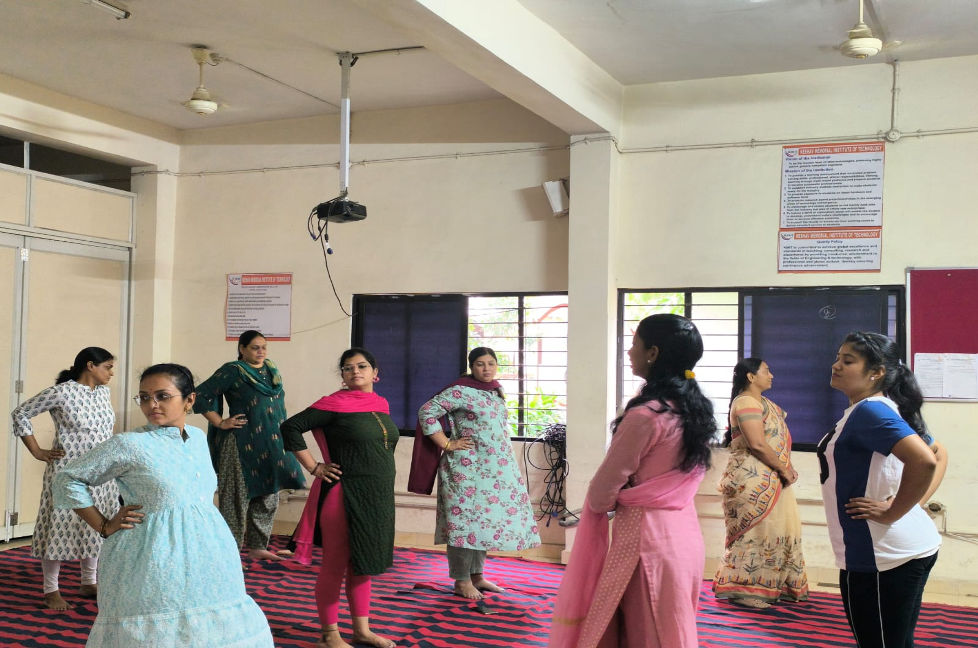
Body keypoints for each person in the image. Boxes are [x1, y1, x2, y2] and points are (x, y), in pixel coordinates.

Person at [51, 363, 274, 647]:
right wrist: (103, 525)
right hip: (151, 555)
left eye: (162, 396)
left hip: (210, 553)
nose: (151, 404)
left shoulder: (196, 438)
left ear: (189, 400)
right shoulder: (129, 444)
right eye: (144, 397)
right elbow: (68, 479)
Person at [548, 314, 715, 648]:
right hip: (684, 535)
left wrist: (619, 498)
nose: (629, 351)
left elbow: (600, 494)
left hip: (646, 541)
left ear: (652, 352)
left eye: (634, 343)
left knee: (647, 632)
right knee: (672, 625)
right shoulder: (694, 409)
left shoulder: (646, 415)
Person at [819, 331, 946, 648]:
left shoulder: (871, 412)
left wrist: (895, 511)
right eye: (838, 358)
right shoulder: (875, 409)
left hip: (881, 555)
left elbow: (927, 461)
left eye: (848, 361)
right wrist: (911, 507)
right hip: (894, 550)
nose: (836, 365)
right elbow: (937, 453)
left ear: (876, 373)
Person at [280, 348, 397, 648]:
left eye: (361, 366)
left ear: (375, 372)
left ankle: (362, 630)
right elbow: (290, 427)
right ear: (343, 376)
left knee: (363, 562)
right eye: (347, 368)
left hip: (377, 497)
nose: (354, 371)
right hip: (343, 495)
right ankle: (329, 635)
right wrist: (313, 466)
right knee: (335, 563)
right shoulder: (333, 405)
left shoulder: (380, 404)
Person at [414, 347, 541, 600]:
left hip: (494, 471)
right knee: (463, 525)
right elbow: (426, 411)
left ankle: (477, 576)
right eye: (480, 364)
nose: (486, 368)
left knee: (482, 523)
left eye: (491, 363)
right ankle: (461, 581)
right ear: (471, 366)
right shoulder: (460, 390)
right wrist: (447, 444)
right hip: (466, 470)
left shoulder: (495, 391)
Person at [10, 346, 120, 610]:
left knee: (98, 524)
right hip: (67, 472)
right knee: (58, 526)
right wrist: (36, 450)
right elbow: (20, 413)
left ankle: (88, 582)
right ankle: (51, 590)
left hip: (102, 472)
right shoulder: (60, 392)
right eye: (108, 367)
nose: (111, 373)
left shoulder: (103, 392)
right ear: (90, 366)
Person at [194, 329, 304, 561]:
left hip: (271, 442)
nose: (261, 351)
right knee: (236, 499)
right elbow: (200, 394)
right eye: (255, 347)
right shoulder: (233, 371)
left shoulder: (271, 371)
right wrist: (220, 422)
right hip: (241, 444)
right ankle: (228, 554)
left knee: (268, 496)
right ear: (242, 349)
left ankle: (257, 546)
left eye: (264, 347)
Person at [713, 358, 809, 608]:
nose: (772, 375)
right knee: (758, 532)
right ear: (751, 377)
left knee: (778, 531)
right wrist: (782, 468)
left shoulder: (765, 404)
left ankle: (773, 586)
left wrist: (785, 468)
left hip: (772, 478)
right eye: (766, 371)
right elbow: (756, 443)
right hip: (752, 480)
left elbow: (772, 442)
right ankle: (748, 592)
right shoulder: (745, 402)